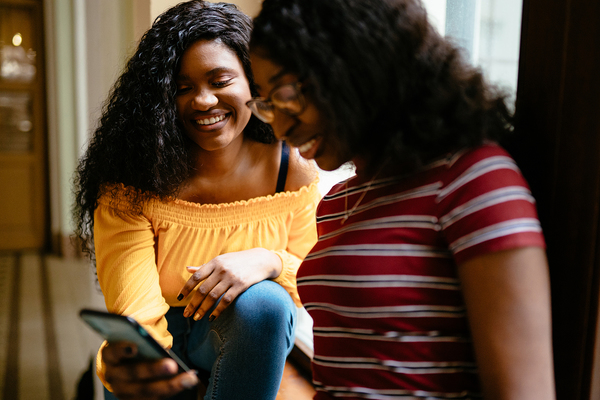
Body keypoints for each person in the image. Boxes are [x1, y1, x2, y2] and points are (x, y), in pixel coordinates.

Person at [247, 0, 556, 399]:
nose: (283, 126)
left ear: (356, 64)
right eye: (268, 103)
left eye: (289, 94)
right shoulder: (338, 203)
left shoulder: (471, 179)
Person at [73, 1, 320, 399]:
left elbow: (312, 282)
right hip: (158, 337)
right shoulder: (132, 178)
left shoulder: (291, 166)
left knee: (267, 303)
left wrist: (267, 260)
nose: (203, 101)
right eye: (182, 88)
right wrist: (155, 373)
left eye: (219, 81)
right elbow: (136, 310)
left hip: (241, 340)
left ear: (254, 84)